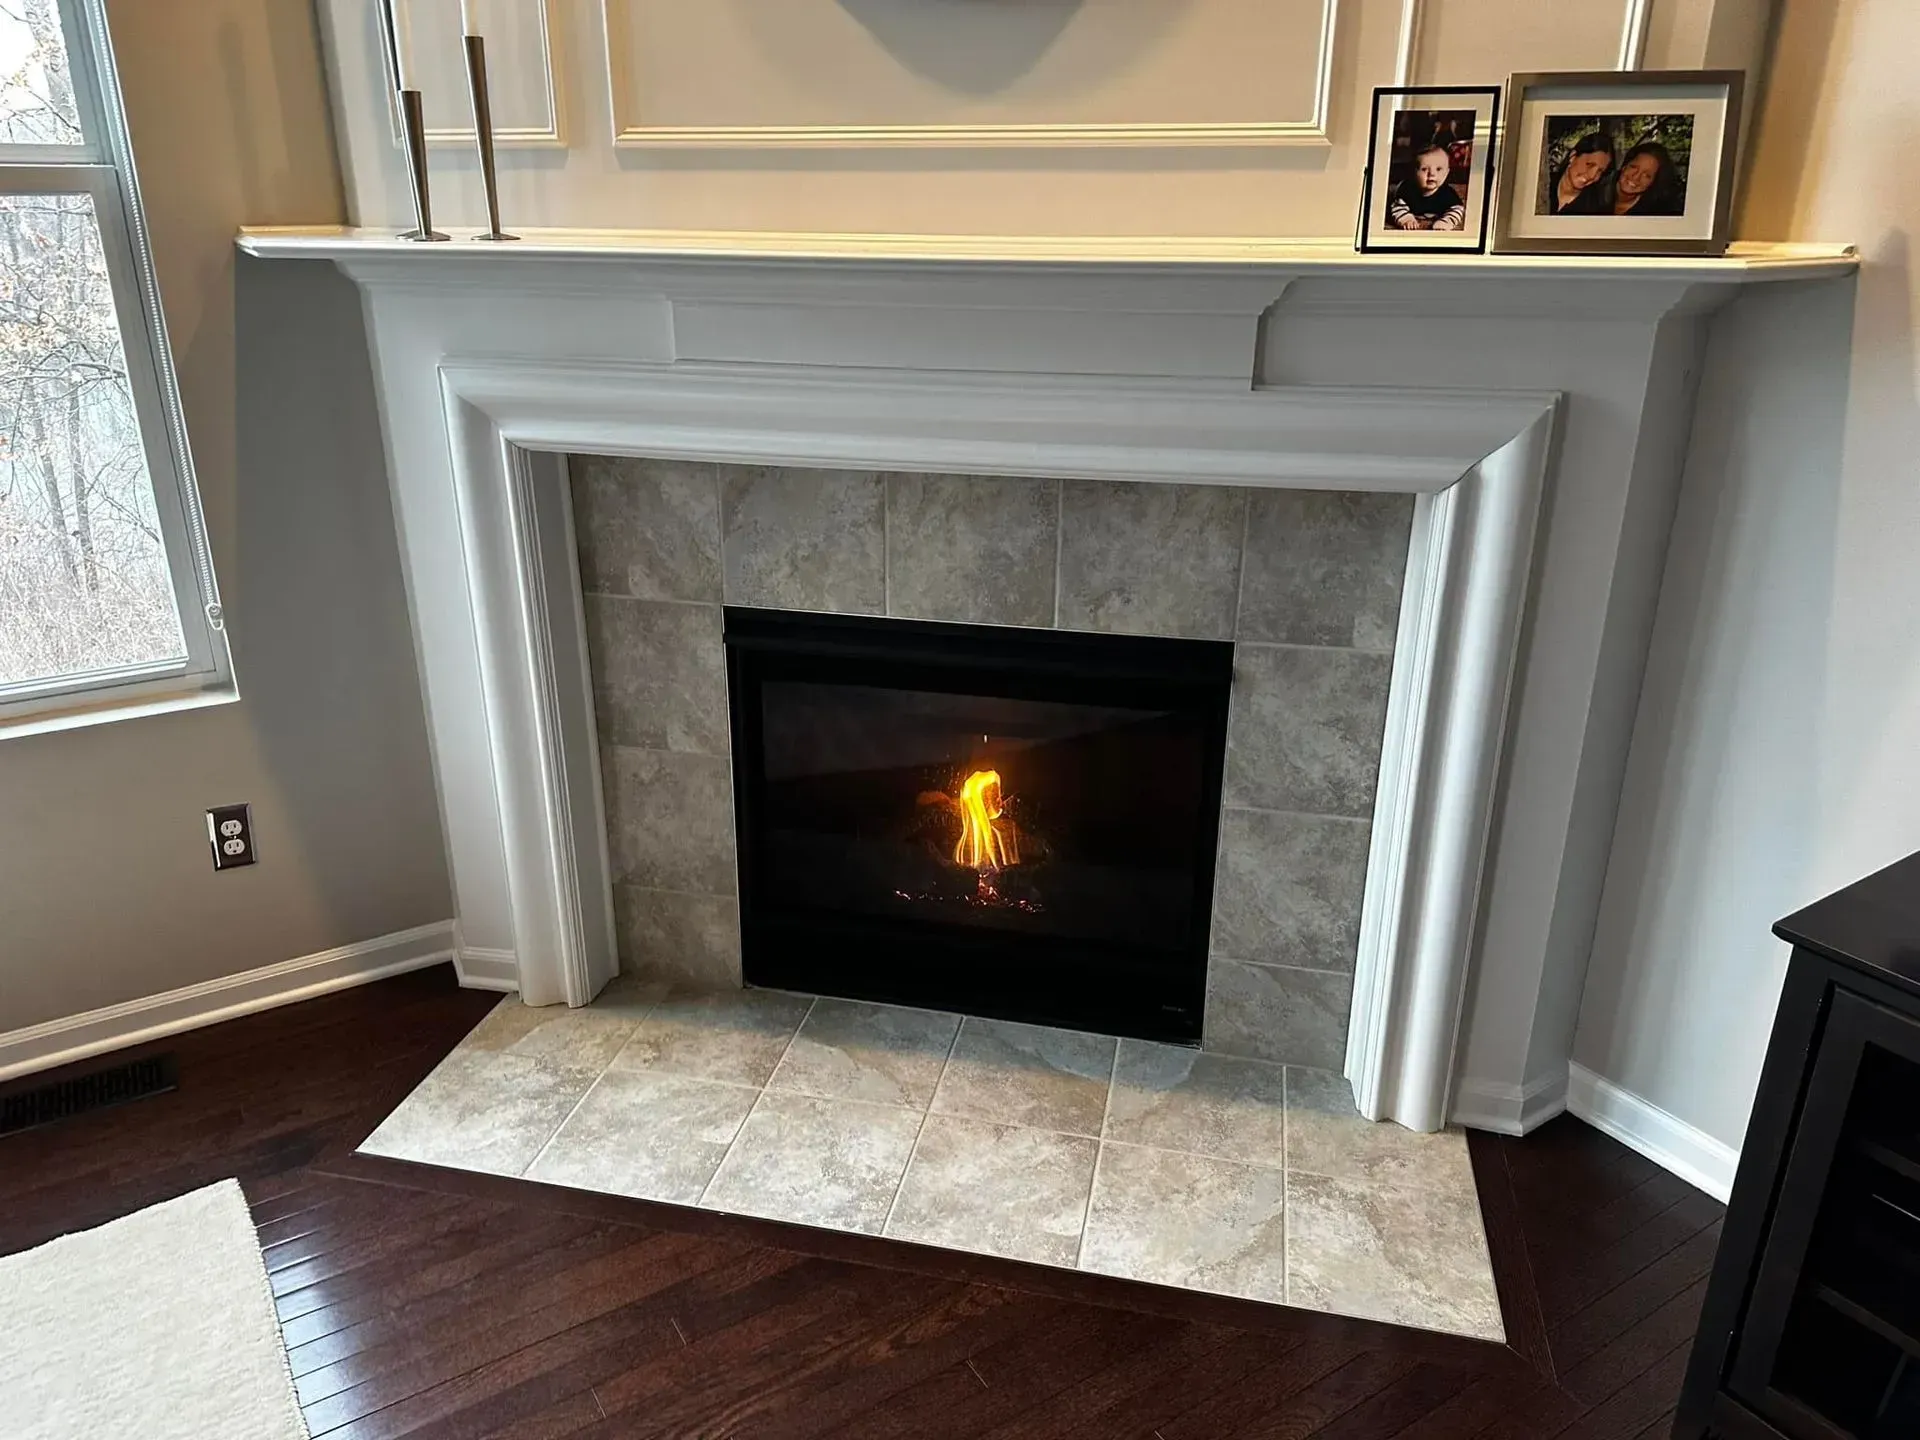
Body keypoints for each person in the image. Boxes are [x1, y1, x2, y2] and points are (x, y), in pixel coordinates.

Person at [1387, 142, 1466, 231]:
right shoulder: (1407, 189)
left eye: (1438, 169)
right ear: (1414, 172)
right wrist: (1406, 219)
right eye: (1424, 169)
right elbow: (1397, 207)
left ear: (1447, 173)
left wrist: (1446, 221)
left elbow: (1457, 209)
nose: (1432, 174)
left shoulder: (1447, 193)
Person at [1542, 129, 1614, 215]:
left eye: (1600, 171)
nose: (1592, 175)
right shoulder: (1543, 184)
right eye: (1589, 164)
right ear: (1573, 156)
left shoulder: (1593, 211)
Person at [1608, 141, 1685, 216]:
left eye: (1647, 175)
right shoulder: (1599, 189)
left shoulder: (1657, 212)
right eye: (1633, 167)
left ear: (1653, 182)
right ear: (1624, 166)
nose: (1636, 177)